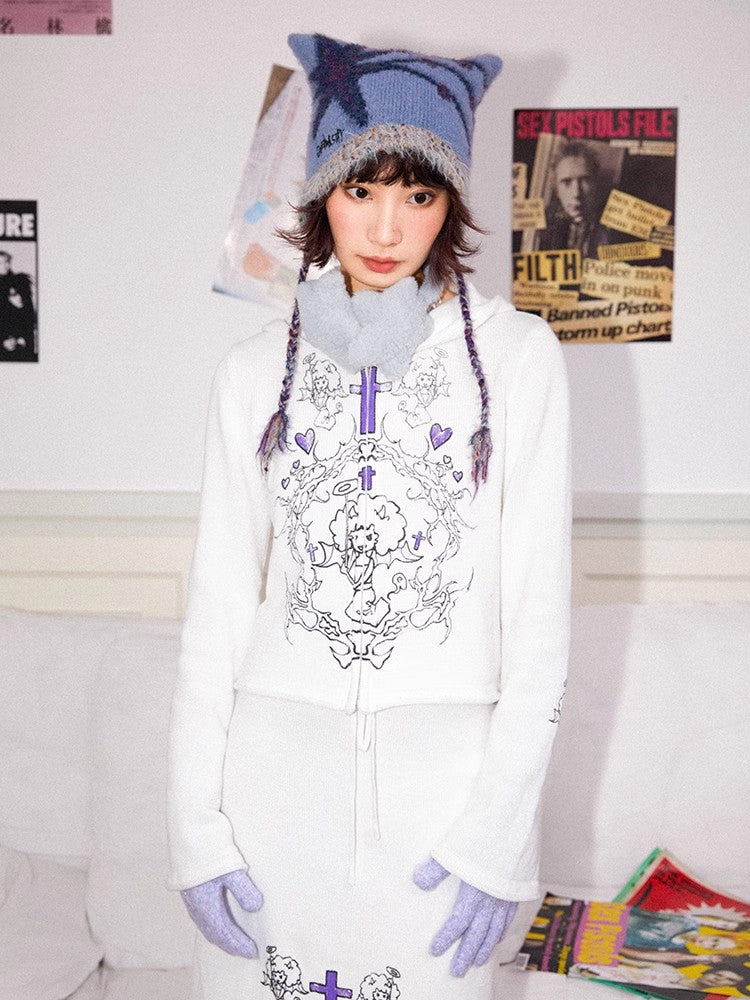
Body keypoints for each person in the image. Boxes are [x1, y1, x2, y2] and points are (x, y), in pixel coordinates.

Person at [167, 32, 571, 1000]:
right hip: (269, 798)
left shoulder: (519, 361)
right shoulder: (251, 373)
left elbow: (541, 626)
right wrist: (194, 831)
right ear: (322, 193)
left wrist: (497, 838)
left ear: (450, 204)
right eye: (360, 190)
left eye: (419, 196)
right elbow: (213, 615)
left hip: (443, 812)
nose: (387, 227)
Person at [538, 141, 608, 259]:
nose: (576, 193)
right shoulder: (544, 226)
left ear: (595, 183)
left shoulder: (611, 228)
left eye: (585, 180)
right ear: (557, 190)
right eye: (566, 182)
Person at [0, 250, 36, 361]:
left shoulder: (19, 282)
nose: (5, 265)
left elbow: (28, 317)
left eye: (7, 262)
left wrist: (20, 339)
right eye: (1, 263)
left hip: (20, 341)